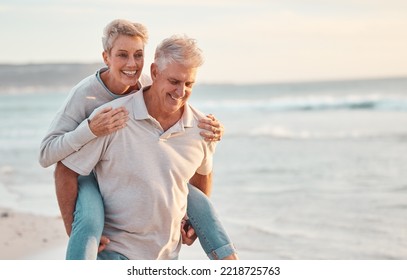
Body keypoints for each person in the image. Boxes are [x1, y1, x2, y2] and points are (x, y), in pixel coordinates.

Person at [39, 19, 237, 260]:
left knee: (186, 193)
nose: (132, 64)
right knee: (89, 224)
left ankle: (229, 264)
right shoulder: (87, 96)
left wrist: (210, 130)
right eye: (122, 55)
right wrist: (90, 129)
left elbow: (175, 95)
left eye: (138, 55)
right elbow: (48, 155)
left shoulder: (146, 84)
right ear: (106, 57)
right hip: (88, 173)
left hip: (133, 182)